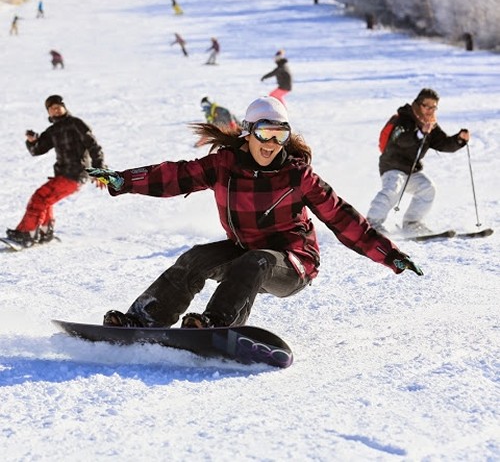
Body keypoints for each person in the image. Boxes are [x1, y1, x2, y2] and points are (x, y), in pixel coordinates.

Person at [86, 96, 423, 330]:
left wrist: (389, 254)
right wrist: (123, 180)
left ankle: (217, 324)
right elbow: (173, 176)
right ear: (248, 133)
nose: (271, 143)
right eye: (264, 132)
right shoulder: (224, 166)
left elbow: (343, 218)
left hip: (291, 264)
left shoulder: (298, 176)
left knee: (257, 260)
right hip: (246, 252)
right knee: (195, 259)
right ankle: (144, 319)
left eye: (280, 135)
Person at [6, 95, 106, 247]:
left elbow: (94, 147)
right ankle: (45, 231)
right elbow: (38, 150)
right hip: (64, 174)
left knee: (40, 197)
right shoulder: (52, 130)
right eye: (52, 108)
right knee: (45, 199)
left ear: (64, 107)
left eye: (58, 106)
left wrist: (100, 172)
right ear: (49, 113)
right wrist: (32, 142)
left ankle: (27, 233)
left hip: (75, 174)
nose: (56, 110)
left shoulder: (76, 124)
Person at [366, 88, 470, 235]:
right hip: (392, 166)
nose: (430, 110)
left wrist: (459, 140)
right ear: (418, 104)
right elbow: (401, 139)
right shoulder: (404, 118)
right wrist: (420, 133)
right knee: (393, 189)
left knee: (427, 188)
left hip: (410, 170)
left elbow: (443, 143)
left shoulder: (430, 125)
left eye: (433, 107)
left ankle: (412, 223)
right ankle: (372, 223)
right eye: (426, 106)